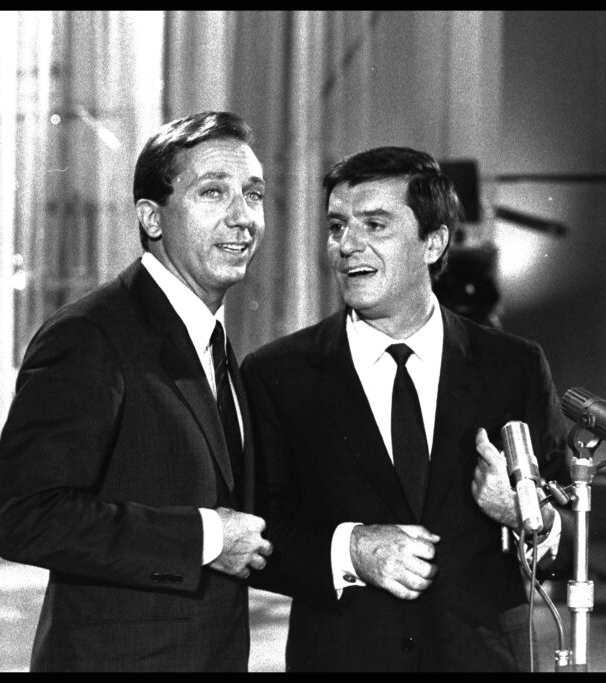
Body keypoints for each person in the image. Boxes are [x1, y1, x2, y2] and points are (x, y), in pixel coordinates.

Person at [241, 146, 575, 671]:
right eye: (336, 227)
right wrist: (351, 550)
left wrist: (524, 514)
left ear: (433, 242)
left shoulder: (514, 367)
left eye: (375, 225)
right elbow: (256, 535)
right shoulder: (277, 373)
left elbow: (573, 536)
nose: (347, 245)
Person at [0, 111, 273, 672]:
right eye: (213, 192)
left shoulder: (213, 343)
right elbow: (26, 516)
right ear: (152, 217)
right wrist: (205, 536)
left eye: (254, 195)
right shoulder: (90, 334)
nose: (242, 217)